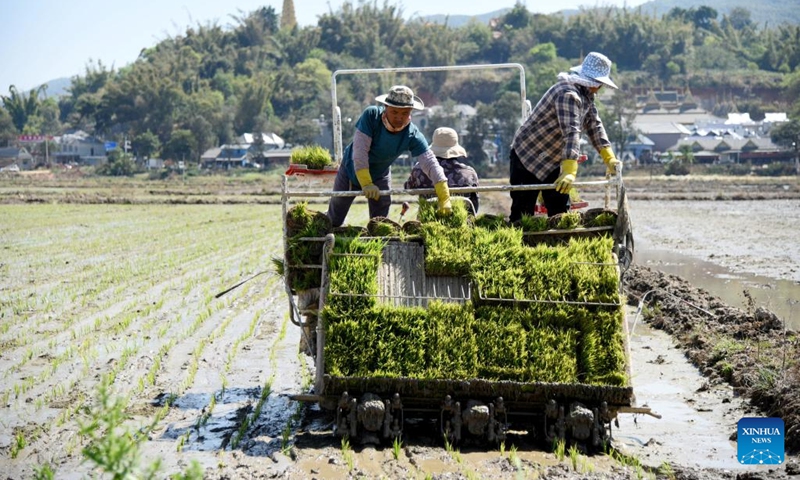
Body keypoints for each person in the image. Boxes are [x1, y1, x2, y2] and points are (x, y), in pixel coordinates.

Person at [508, 51, 622, 221]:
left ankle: (559, 243)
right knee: (522, 212)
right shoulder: (568, 94)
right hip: (528, 155)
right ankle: (521, 243)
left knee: (560, 210)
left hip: (552, 158)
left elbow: (595, 126)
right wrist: (570, 169)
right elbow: (571, 132)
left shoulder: (586, 97)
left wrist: (609, 157)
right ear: (595, 83)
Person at [327, 85, 452, 227]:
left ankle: (377, 245)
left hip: (380, 173)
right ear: (385, 107)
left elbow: (430, 163)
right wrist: (367, 183)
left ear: (411, 112)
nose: (399, 117)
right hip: (351, 170)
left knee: (380, 222)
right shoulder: (371, 116)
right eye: (394, 112)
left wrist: (444, 196)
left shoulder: (412, 134)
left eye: (404, 113)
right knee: (335, 216)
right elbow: (360, 152)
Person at [404, 127, 480, 214]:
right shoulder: (469, 173)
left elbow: (409, 189)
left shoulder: (420, 169)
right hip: (463, 221)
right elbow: (475, 204)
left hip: (427, 220)